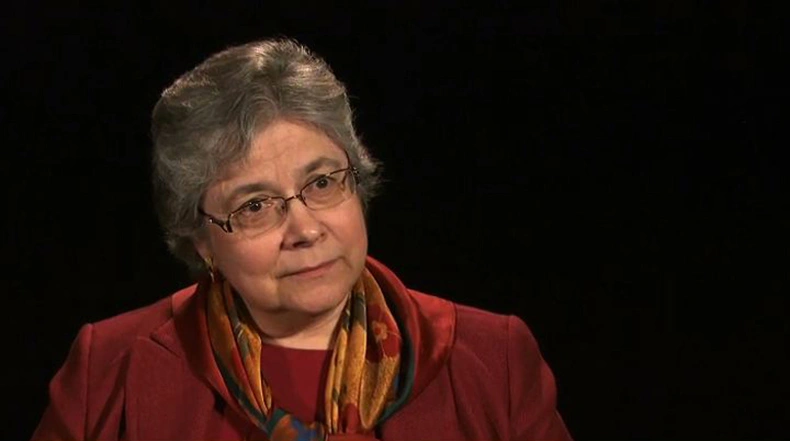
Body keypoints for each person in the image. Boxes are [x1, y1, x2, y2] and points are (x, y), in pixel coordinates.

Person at [32, 38, 573, 441]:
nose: (306, 229)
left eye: (321, 183)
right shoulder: (109, 371)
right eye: (255, 206)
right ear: (202, 242)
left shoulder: (493, 360)